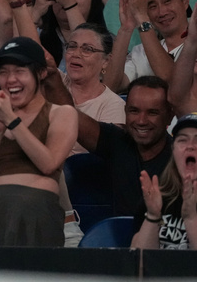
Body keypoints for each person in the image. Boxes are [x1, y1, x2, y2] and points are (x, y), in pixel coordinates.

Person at [0, 37, 78, 247]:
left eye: (19, 71)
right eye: (4, 72)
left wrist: (11, 120)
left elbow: (48, 164)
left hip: (37, 213)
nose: (10, 80)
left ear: (41, 73)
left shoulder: (61, 113)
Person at [44, 74, 172, 216]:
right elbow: (71, 115)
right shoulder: (117, 141)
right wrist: (51, 76)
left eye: (152, 112)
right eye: (134, 111)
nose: (141, 121)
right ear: (125, 111)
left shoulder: (181, 159)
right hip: (118, 236)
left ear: (170, 116)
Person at [105, 0, 190, 93]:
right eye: (152, 6)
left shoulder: (194, 46)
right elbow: (109, 87)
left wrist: (142, 19)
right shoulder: (140, 52)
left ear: (185, 1)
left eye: (167, 2)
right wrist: (126, 28)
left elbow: (170, 79)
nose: (161, 12)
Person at [132, 114, 197, 250]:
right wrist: (153, 216)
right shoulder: (158, 199)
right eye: (182, 140)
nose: (190, 147)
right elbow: (139, 263)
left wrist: (191, 218)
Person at [35, 0, 105, 69]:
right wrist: (36, 11)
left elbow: (87, 47)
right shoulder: (38, 36)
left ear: (93, 0)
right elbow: (19, 56)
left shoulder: (106, 41)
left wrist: (70, 5)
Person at [61, 24, 125, 133]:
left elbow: (106, 147)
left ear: (105, 61)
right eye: (72, 46)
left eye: (87, 49)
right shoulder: (55, 81)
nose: (76, 54)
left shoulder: (113, 105)